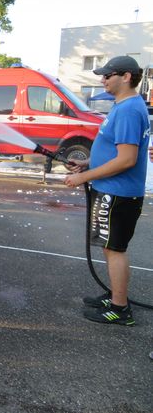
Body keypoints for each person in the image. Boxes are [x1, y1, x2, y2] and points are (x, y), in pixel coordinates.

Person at [64, 55, 150, 326]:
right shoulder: (124, 105)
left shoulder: (128, 110)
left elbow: (126, 159)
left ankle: (120, 309)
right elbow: (115, 149)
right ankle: (116, 296)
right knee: (110, 247)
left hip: (118, 193)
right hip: (113, 191)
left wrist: (83, 177)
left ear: (126, 77)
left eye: (107, 75)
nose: (102, 80)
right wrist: (88, 163)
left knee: (115, 250)